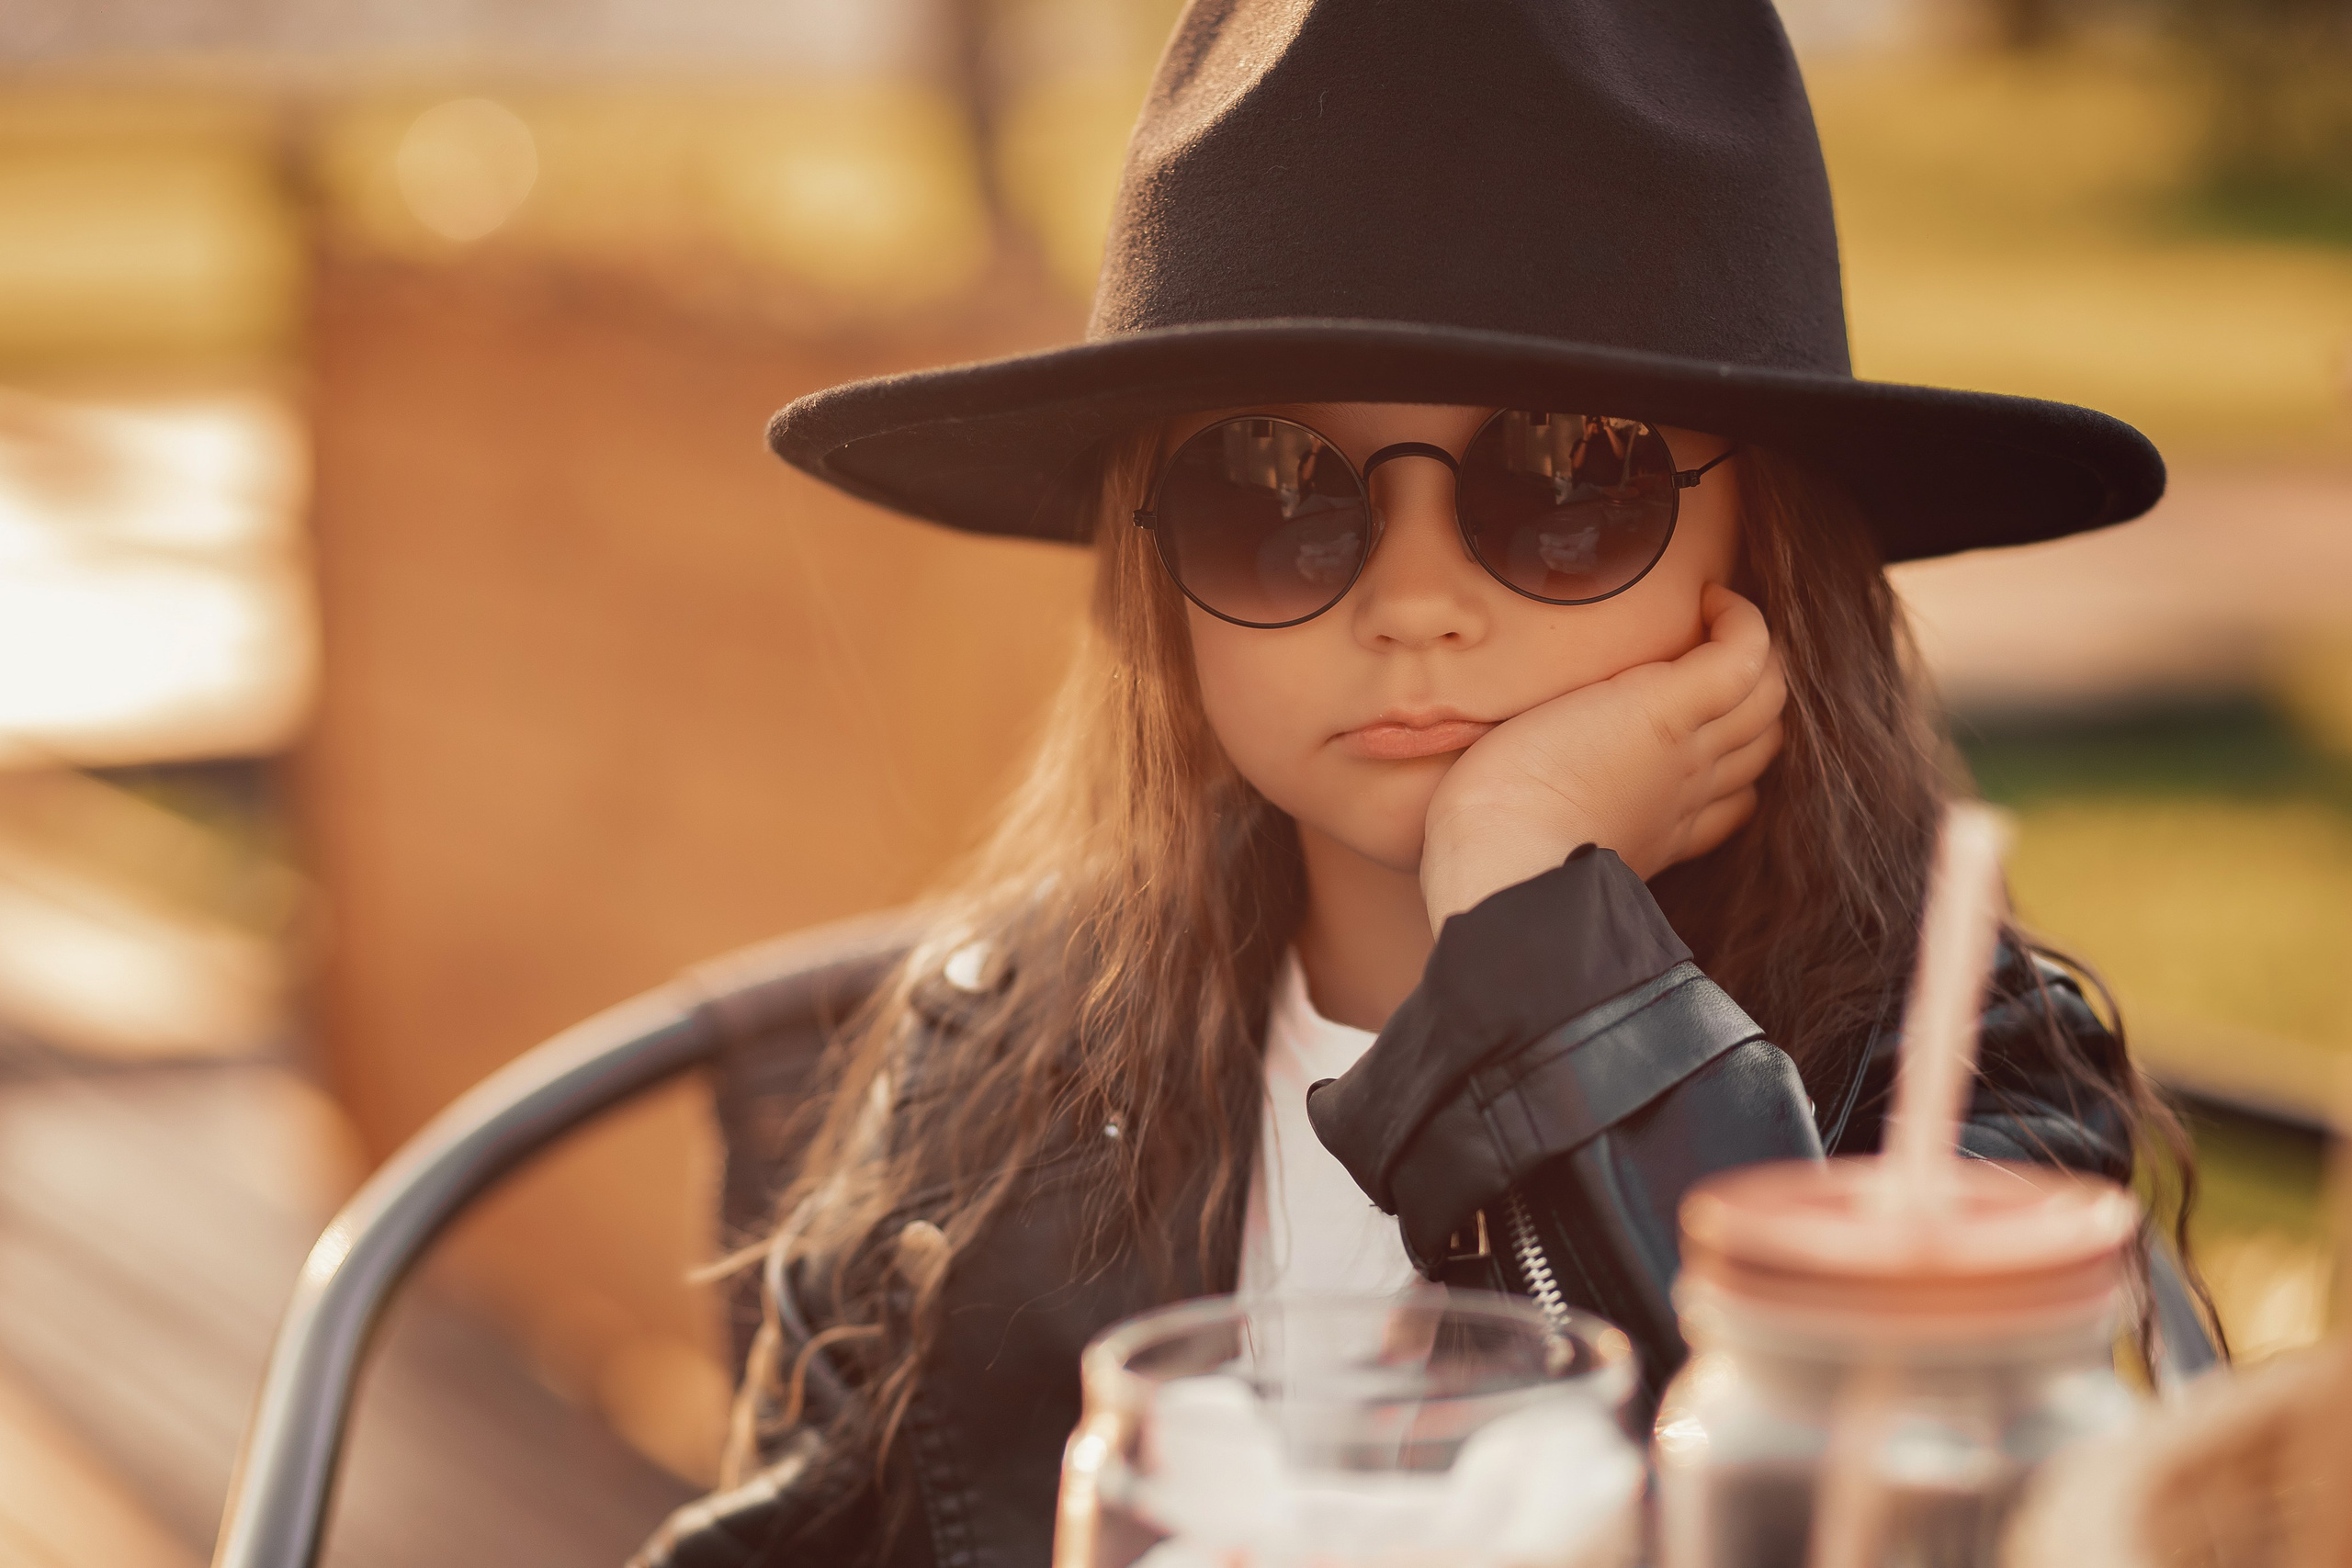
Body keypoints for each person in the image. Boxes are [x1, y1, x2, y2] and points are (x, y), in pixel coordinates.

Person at [636, 1, 2197, 1562]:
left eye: (1567, 478)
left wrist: (1536, 922)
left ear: (1762, 545)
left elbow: (1866, 1509)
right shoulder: (985, 1084)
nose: (1415, 599)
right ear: (1157, 576)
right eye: (1276, 490)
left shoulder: (1949, 1088)